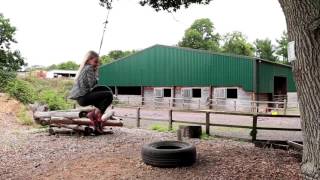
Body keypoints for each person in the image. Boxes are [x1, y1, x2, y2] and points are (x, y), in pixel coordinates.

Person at [69, 51, 113, 133]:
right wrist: (96, 75)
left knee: (106, 90)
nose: (97, 64)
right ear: (89, 60)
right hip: (84, 97)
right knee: (109, 94)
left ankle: (95, 118)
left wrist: (94, 72)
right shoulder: (89, 68)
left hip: (83, 97)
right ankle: (95, 115)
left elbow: (92, 86)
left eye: (98, 62)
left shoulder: (85, 68)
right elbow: (91, 84)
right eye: (95, 62)